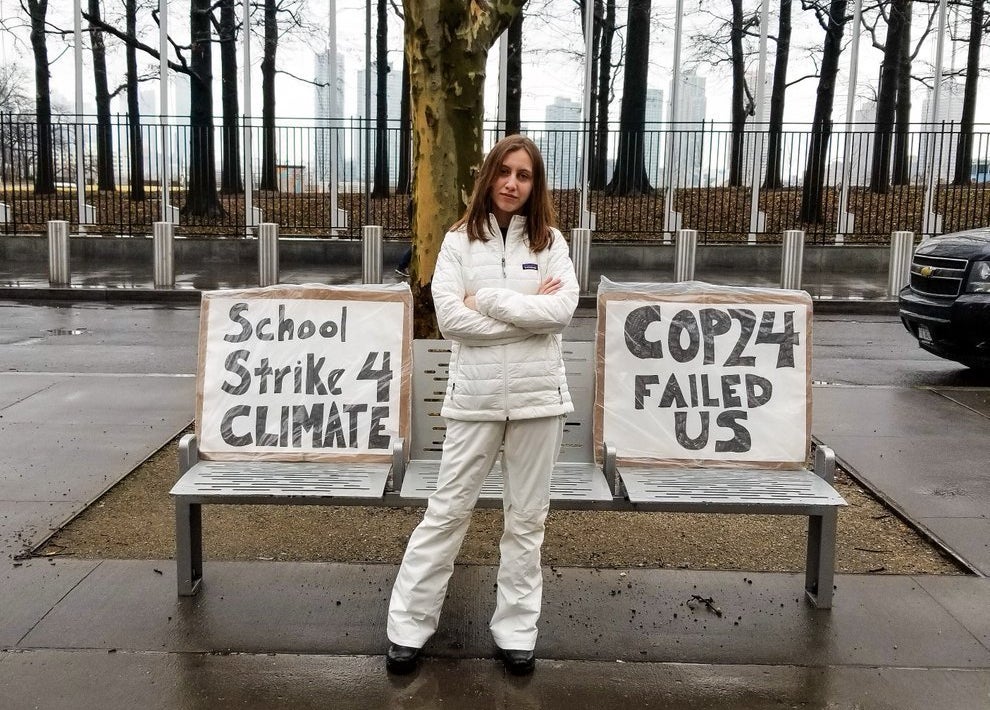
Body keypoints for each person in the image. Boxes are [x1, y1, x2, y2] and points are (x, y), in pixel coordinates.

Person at [385, 135, 579, 676]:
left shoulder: (551, 242)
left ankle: (517, 632)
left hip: (539, 403)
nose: (512, 183)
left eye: (524, 175)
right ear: (489, 176)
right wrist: (526, 313)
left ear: (535, 185)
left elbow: (562, 311)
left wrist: (489, 301)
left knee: (526, 520)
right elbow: (450, 321)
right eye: (505, 172)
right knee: (447, 512)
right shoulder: (457, 242)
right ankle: (408, 627)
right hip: (474, 402)